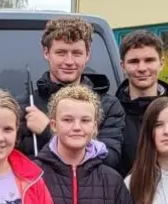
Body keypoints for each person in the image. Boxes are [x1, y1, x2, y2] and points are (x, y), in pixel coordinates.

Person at [17, 17, 126, 169]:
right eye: (61, 53)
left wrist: (48, 131)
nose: (69, 61)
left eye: (76, 53)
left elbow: (110, 159)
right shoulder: (25, 106)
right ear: (47, 53)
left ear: (87, 55)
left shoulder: (108, 106)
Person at [114, 30, 168, 172]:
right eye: (134, 61)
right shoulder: (109, 115)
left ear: (161, 63)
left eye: (149, 60)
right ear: (122, 66)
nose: (142, 68)